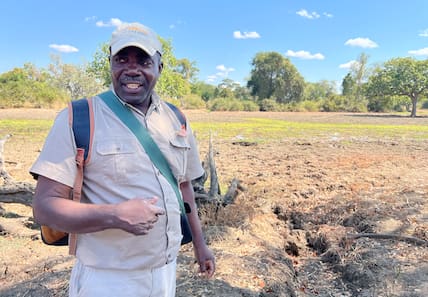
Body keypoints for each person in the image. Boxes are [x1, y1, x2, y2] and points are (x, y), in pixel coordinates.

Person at [30, 22, 215, 296]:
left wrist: (200, 245)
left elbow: (184, 187)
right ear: (110, 65)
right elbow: (44, 208)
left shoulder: (175, 118)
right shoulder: (79, 117)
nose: (132, 69)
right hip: (107, 280)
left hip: (166, 272)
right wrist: (115, 215)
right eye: (122, 59)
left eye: (143, 60)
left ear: (159, 68)